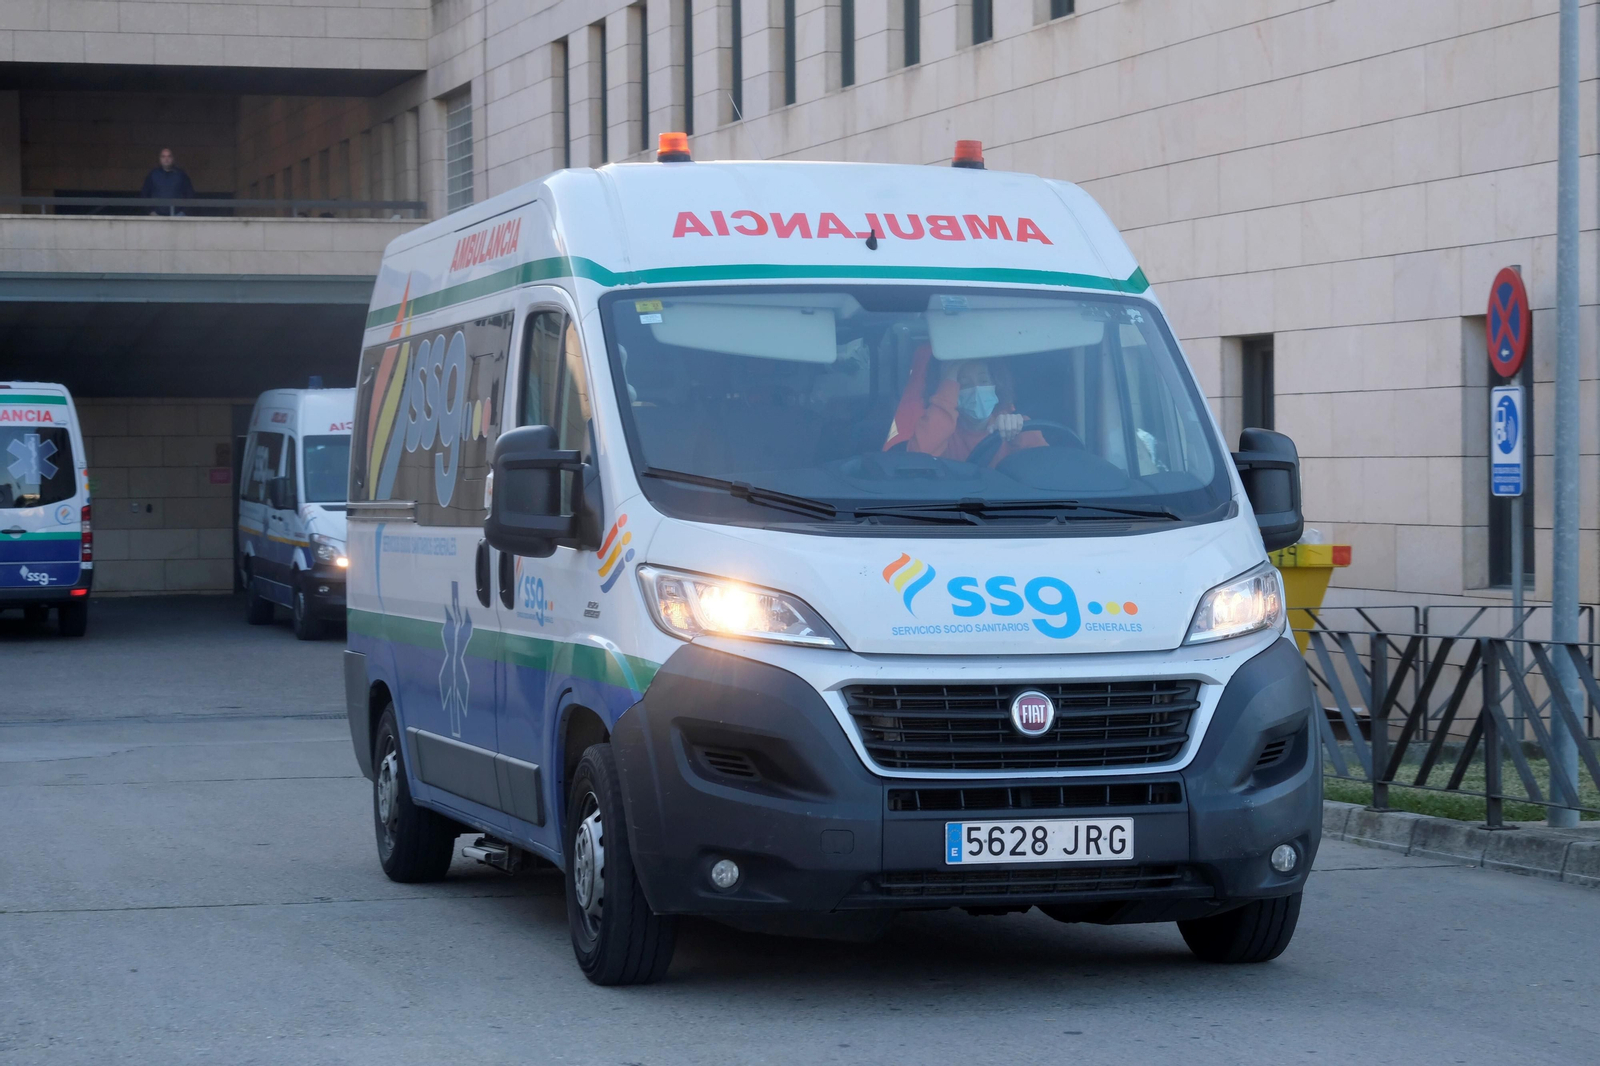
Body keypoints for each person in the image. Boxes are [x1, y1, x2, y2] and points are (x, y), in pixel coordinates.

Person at [884, 351, 1046, 465]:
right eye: (964, 384)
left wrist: (1016, 438)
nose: (976, 390)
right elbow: (917, 462)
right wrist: (949, 375)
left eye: (983, 381)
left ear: (997, 384)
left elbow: (1046, 471)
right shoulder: (941, 432)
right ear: (949, 391)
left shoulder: (1022, 426)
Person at [140, 148, 194, 215]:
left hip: (177, 216)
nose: (166, 159)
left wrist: (183, 212)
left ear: (173, 159)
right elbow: (144, 194)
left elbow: (190, 194)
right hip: (157, 217)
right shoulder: (153, 175)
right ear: (159, 159)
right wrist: (151, 212)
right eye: (163, 156)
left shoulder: (181, 175)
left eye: (169, 156)